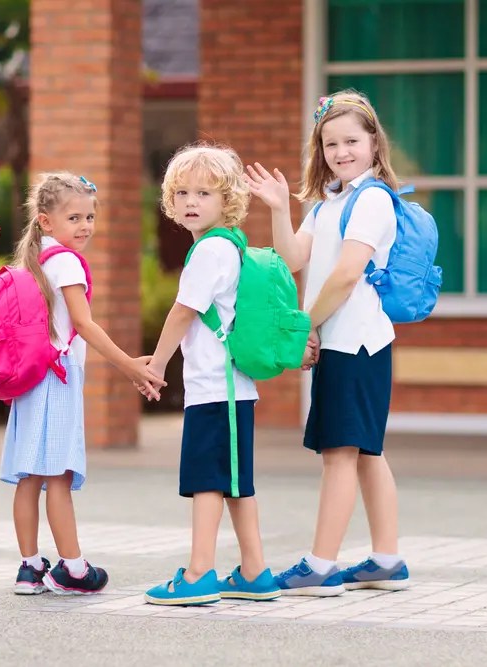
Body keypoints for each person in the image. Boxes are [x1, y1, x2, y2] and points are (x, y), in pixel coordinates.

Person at [245, 90, 410, 595]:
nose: (341, 152)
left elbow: (346, 275)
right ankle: (387, 561)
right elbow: (294, 258)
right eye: (330, 143)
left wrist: (305, 326)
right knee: (365, 452)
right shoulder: (328, 202)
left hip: (354, 343)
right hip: (346, 342)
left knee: (340, 452)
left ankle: (319, 566)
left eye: (351, 141)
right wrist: (279, 209)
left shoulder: (373, 199)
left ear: (374, 142)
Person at [2, 172, 165, 596]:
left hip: (30, 378)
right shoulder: (67, 262)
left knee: (30, 476)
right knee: (57, 476)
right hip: (57, 376)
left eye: (89, 217)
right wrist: (129, 365)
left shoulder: (34, 260)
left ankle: (29, 568)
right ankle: (73, 569)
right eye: (73, 218)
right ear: (45, 221)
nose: (85, 226)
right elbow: (85, 325)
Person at [142, 144, 280, 606]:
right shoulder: (229, 245)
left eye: (204, 193)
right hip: (230, 389)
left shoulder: (210, 251)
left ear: (228, 200)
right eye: (181, 192)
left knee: (207, 481)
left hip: (216, 389)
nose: (190, 202)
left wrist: (156, 363)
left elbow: (184, 311)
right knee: (235, 483)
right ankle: (254, 571)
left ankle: (199, 573)